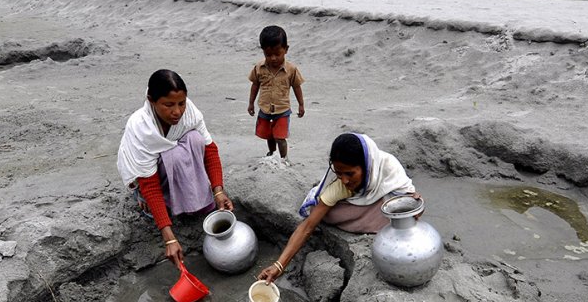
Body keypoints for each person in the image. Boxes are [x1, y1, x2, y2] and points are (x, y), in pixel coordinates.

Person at [256, 133, 417, 284]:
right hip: (357, 210)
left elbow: (411, 204)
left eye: (350, 173)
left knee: (397, 210)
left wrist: (417, 206)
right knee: (327, 213)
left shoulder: (388, 168)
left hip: (380, 206)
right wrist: (279, 266)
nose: (344, 180)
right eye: (339, 173)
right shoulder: (338, 184)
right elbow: (308, 226)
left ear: (366, 166)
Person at [117, 69, 233, 267]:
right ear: (151, 100)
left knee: (195, 139)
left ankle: (189, 197)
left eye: (181, 103)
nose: (177, 111)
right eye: (168, 105)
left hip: (170, 164)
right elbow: (150, 183)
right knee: (174, 154)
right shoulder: (141, 128)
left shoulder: (190, 114)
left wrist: (218, 190)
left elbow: (210, 150)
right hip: (149, 177)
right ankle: (150, 200)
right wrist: (169, 237)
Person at [247, 25, 305, 164]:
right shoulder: (259, 68)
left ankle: (284, 158)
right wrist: (250, 103)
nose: (273, 58)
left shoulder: (291, 69)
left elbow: (297, 87)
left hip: (282, 109)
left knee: (280, 137)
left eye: (277, 54)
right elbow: (255, 85)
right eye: (268, 55)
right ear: (263, 51)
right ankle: (272, 155)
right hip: (265, 108)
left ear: (286, 49)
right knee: (269, 136)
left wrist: (301, 105)